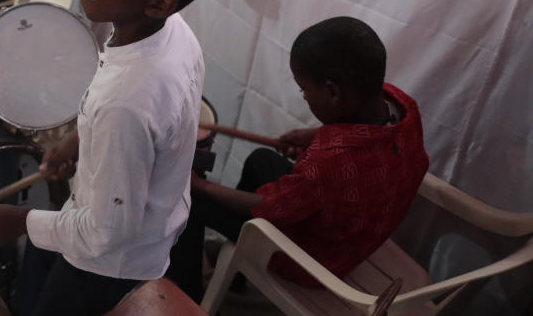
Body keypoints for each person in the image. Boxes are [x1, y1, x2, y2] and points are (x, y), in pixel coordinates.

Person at [0, 0, 224, 316]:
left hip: (108, 267)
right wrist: (77, 140)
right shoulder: (173, 32)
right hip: (139, 229)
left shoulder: (124, 101)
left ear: (159, 2)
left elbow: (108, 232)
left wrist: (21, 221)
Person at [167, 16, 429, 301]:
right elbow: (365, 141)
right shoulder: (402, 108)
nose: (303, 96)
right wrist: (317, 136)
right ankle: (237, 269)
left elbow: (269, 205)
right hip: (357, 231)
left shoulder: (329, 164)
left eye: (303, 89)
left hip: (314, 259)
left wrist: (199, 185)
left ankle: (189, 298)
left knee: (187, 201)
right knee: (260, 160)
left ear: (332, 92)